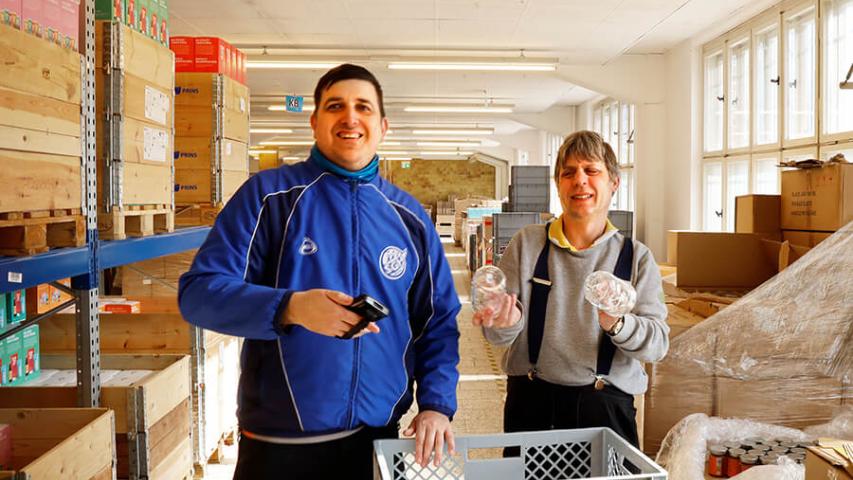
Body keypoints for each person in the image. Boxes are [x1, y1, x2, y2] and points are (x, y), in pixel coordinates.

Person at [178, 64, 461, 479]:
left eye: (363, 107)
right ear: (315, 122)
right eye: (335, 106)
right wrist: (288, 307)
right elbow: (199, 294)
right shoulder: (268, 198)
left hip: (376, 440)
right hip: (280, 445)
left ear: (382, 126)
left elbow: (437, 322)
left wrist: (437, 404)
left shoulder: (409, 218)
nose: (350, 117)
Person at [473, 130, 668, 447]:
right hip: (532, 402)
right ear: (558, 185)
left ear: (613, 183)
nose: (580, 180)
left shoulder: (637, 258)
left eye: (592, 171)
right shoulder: (527, 244)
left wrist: (618, 323)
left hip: (605, 409)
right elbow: (498, 333)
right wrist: (504, 323)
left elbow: (657, 346)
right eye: (569, 173)